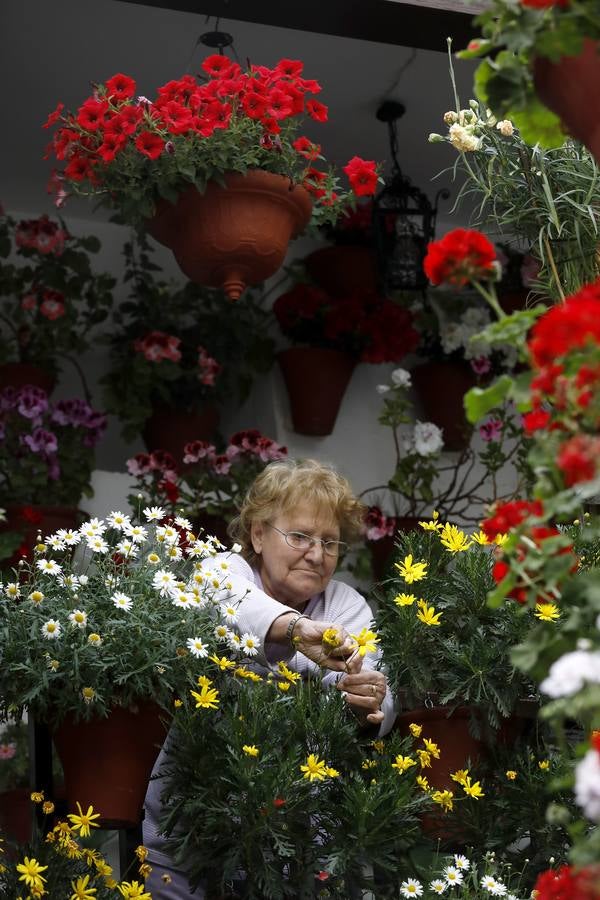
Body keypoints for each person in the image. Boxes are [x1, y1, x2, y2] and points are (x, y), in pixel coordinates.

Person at [144, 458, 395, 898]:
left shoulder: (346, 605)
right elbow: (235, 608)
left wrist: (368, 699)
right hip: (196, 832)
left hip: (302, 841)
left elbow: (378, 692)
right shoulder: (225, 573)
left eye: (330, 542)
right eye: (299, 536)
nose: (316, 554)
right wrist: (297, 633)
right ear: (258, 535)